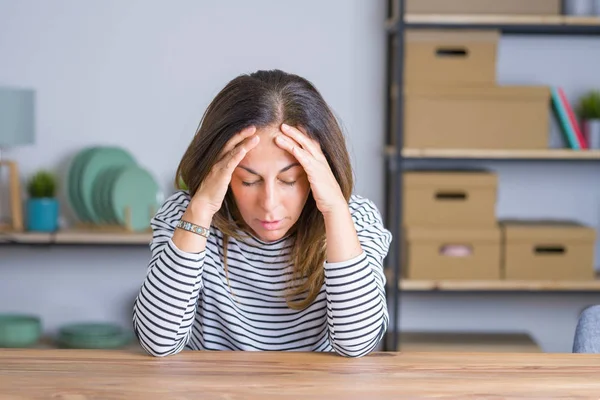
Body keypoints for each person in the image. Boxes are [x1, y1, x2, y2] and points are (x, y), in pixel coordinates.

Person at [132, 69, 392, 358]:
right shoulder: (186, 216)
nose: (269, 204)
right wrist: (201, 209)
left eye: (289, 180)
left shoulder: (353, 219)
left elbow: (357, 345)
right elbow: (158, 342)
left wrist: (334, 211)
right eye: (249, 180)